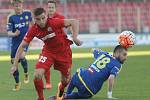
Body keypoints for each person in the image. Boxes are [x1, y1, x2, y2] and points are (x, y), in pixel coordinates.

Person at [10, 7, 82, 100]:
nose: (41, 21)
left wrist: (75, 37)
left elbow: (74, 21)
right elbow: (21, 46)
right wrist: (15, 65)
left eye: (43, 18)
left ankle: (61, 89)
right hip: (48, 52)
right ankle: (40, 98)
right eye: (38, 19)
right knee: (37, 75)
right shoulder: (34, 29)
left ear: (46, 16)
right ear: (34, 19)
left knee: (65, 80)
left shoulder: (54, 22)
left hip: (64, 53)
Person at [7, 0, 33, 91]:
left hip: (25, 41)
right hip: (15, 44)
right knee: (14, 64)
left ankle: (26, 73)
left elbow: (33, 25)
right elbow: (9, 33)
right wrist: (14, 34)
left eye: (19, 5)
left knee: (22, 56)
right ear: (13, 6)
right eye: (16, 6)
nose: (17, 8)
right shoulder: (11, 17)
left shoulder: (28, 13)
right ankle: (17, 83)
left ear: (22, 5)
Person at [43, 0, 66, 90]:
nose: (51, 9)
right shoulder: (44, 18)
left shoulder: (60, 17)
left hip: (60, 46)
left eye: (52, 7)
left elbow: (69, 25)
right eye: (49, 7)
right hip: (49, 47)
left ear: (55, 8)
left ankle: (63, 82)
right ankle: (48, 82)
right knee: (44, 64)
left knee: (63, 66)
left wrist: (73, 36)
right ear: (47, 8)